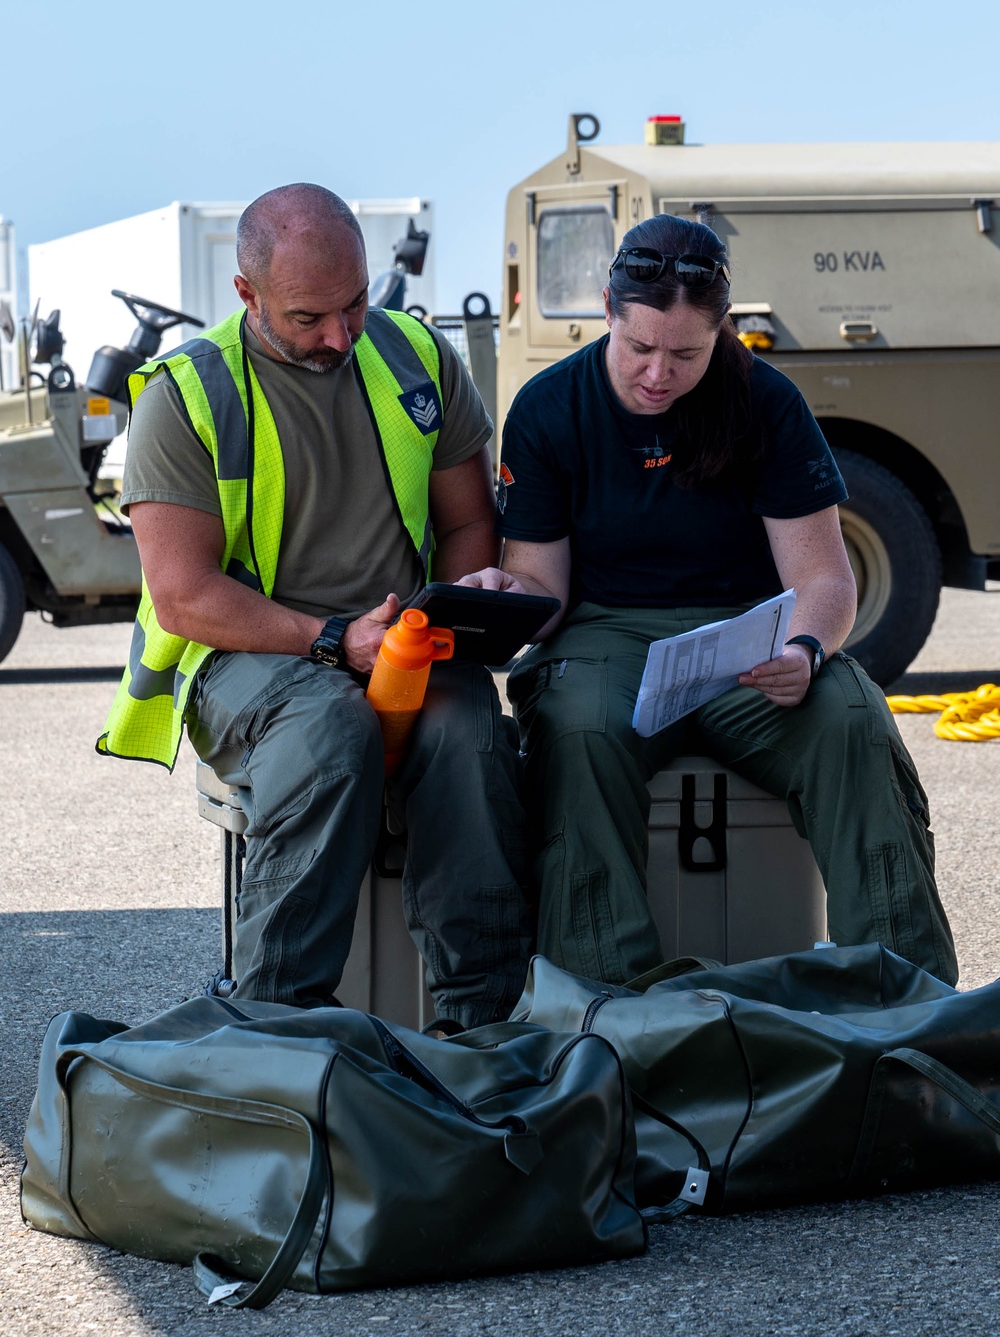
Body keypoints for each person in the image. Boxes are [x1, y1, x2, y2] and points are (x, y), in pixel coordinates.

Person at [459, 213, 958, 987]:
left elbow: (824, 580)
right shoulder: (550, 407)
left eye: (686, 353)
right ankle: (606, 1010)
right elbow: (542, 589)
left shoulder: (768, 402)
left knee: (853, 720)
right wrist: (505, 593)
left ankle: (905, 1002)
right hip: (603, 633)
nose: (658, 373)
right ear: (607, 311)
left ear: (721, 333)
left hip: (749, 640)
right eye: (640, 348)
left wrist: (806, 649)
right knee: (577, 731)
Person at [99, 183, 532, 1027]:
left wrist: (467, 598)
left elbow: (470, 516)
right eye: (308, 318)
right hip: (249, 655)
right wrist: (334, 640)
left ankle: (487, 1035)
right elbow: (184, 597)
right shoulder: (185, 396)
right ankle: (276, 1033)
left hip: (403, 644)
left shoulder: (418, 358)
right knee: (332, 729)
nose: (340, 333)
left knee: (472, 728)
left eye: (356, 303)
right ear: (247, 296)